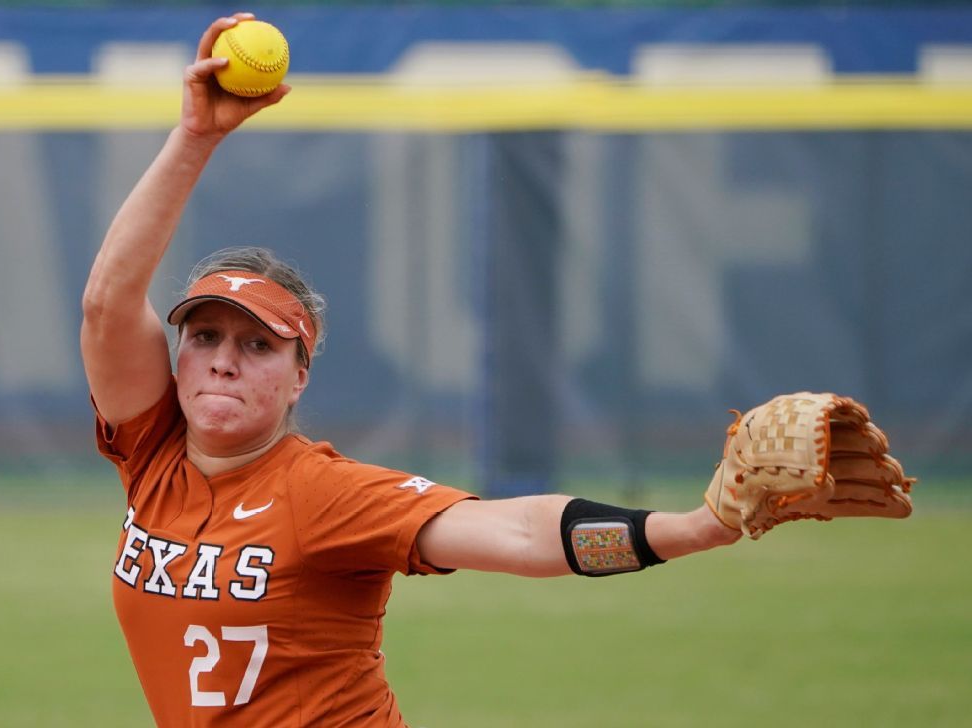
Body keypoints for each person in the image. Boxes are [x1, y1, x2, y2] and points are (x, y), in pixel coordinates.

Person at [80, 13, 741, 726]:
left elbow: (520, 534)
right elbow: (106, 305)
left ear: (299, 377)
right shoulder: (152, 456)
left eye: (258, 345)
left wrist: (694, 528)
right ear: (177, 359)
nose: (224, 361)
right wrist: (196, 138)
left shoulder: (320, 495)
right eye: (205, 335)